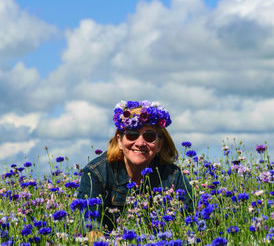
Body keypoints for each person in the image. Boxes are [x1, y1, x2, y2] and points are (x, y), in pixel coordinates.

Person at [77, 100, 193, 238]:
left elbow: (191, 222)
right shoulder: (97, 173)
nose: (140, 143)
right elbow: (90, 226)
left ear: (159, 144)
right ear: (119, 140)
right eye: (132, 134)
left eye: (149, 136)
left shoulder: (172, 176)